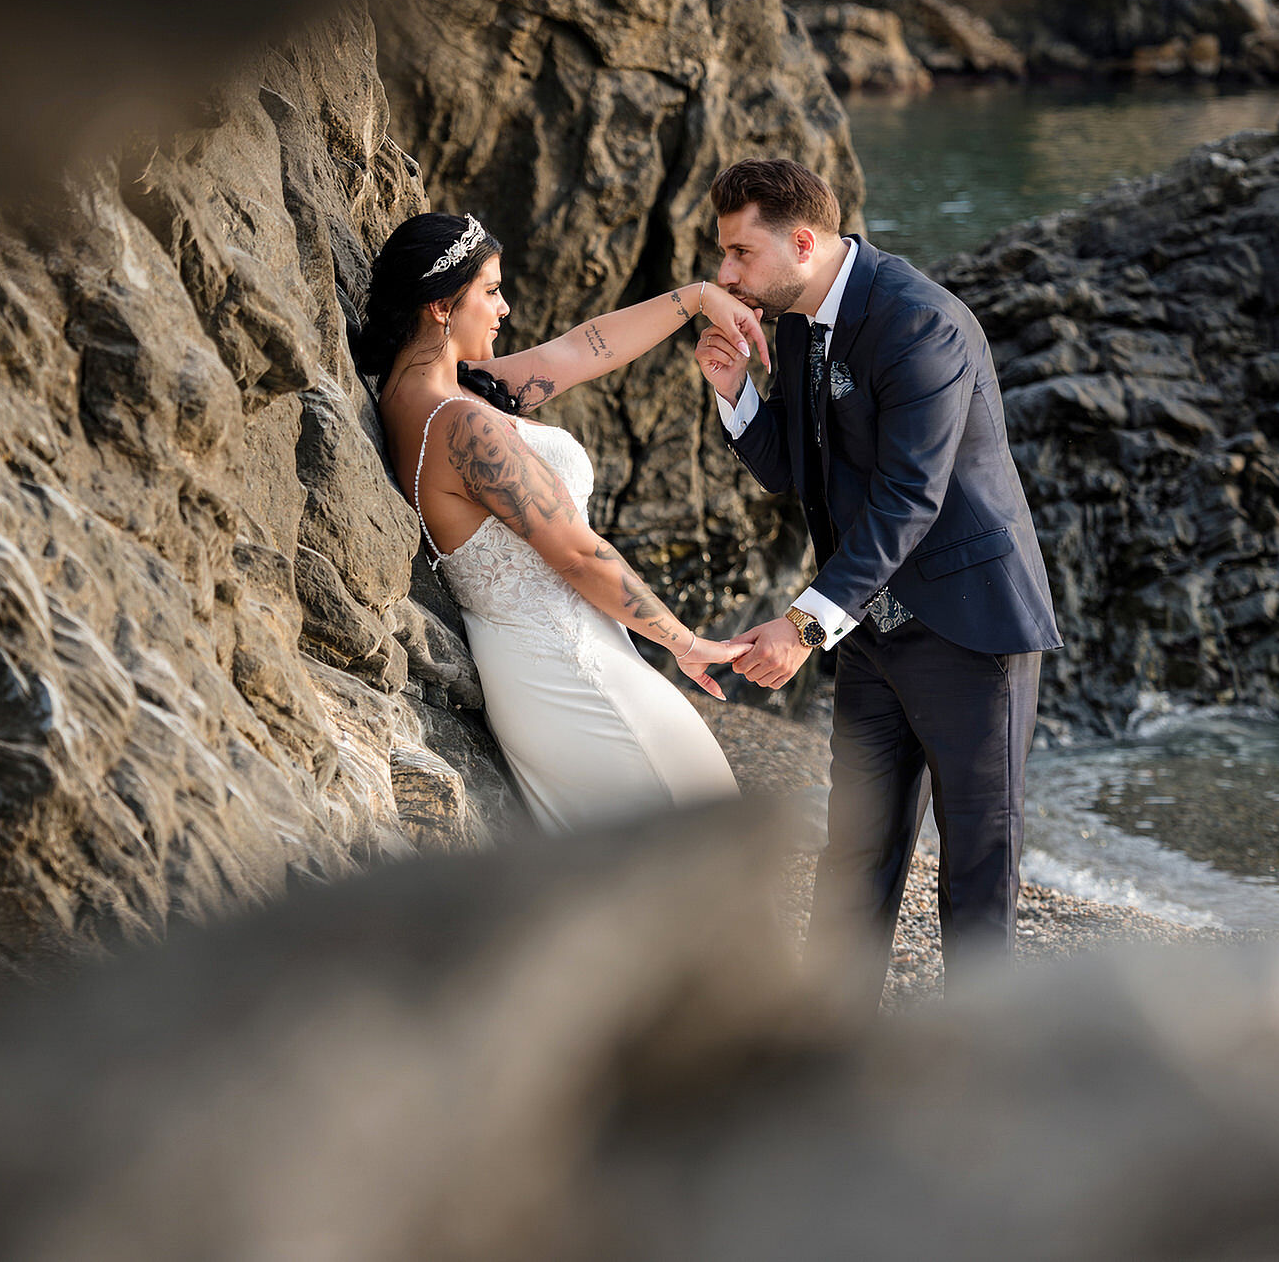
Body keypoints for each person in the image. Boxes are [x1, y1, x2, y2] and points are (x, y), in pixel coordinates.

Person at [693, 159, 1063, 999]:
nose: (726, 275)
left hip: (973, 627)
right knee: (857, 845)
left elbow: (910, 498)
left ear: (800, 242)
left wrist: (804, 622)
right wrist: (736, 396)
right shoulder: (795, 316)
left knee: (977, 853)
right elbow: (798, 467)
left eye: (740, 254)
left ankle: (978, 1056)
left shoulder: (918, 322)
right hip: (871, 627)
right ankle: (829, 1034)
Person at [355, 211, 767, 833]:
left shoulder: (434, 396)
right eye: (491, 290)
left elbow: (581, 349)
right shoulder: (463, 427)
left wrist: (700, 298)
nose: (506, 307)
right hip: (569, 672)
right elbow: (576, 554)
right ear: (441, 306)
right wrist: (685, 642)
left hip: (552, 661)